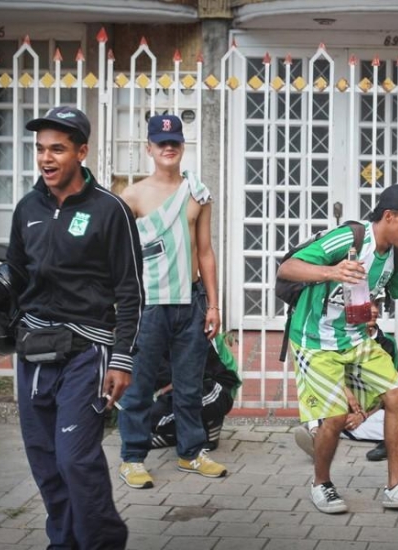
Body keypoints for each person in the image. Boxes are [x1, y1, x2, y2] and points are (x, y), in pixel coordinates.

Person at [0, 106, 143, 548]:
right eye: (40, 149)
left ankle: (102, 542)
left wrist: (122, 359)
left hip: (87, 352)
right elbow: (15, 270)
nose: (46, 158)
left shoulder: (110, 210)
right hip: (34, 349)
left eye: (57, 148)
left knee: (75, 460)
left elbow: (131, 292)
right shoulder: (28, 208)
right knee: (45, 461)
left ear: (82, 152)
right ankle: (64, 542)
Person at [277, 183, 398, 514]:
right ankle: (321, 484)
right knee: (334, 417)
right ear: (389, 216)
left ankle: (396, 488)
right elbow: (287, 268)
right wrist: (331, 271)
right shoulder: (350, 238)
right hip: (314, 341)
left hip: (356, 338)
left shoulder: (396, 257)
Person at [117, 114, 226, 489]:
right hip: (148, 306)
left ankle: (191, 452)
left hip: (190, 302)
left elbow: (206, 251)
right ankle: (132, 457)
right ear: (149, 148)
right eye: (161, 142)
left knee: (190, 384)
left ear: (182, 147)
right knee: (140, 384)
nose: (168, 147)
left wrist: (213, 304)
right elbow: (118, 257)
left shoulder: (197, 193)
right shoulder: (131, 197)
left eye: (175, 142)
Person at [292, 296, 398, 461]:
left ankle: (326, 434)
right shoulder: (334, 338)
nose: (375, 310)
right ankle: (319, 434)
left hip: (367, 414)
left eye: (377, 304)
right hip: (336, 405)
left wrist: (363, 415)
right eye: (368, 304)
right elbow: (324, 374)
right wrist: (346, 391)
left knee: (397, 424)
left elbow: (389, 393)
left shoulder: (388, 343)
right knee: (320, 397)